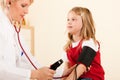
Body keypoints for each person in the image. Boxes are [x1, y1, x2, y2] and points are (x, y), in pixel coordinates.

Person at [0, 0, 55, 80]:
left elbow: (27, 61)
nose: (27, 11)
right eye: (23, 5)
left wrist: (57, 73)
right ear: (9, 2)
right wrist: (34, 74)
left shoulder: (13, 30)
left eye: (28, 7)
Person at [61, 7, 105, 80]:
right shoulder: (68, 47)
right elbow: (67, 69)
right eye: (68, 19)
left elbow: (82, 66)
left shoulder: (89, 42)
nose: (69, 22)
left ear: (84, 22)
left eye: (73, 19)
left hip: (92, 78)